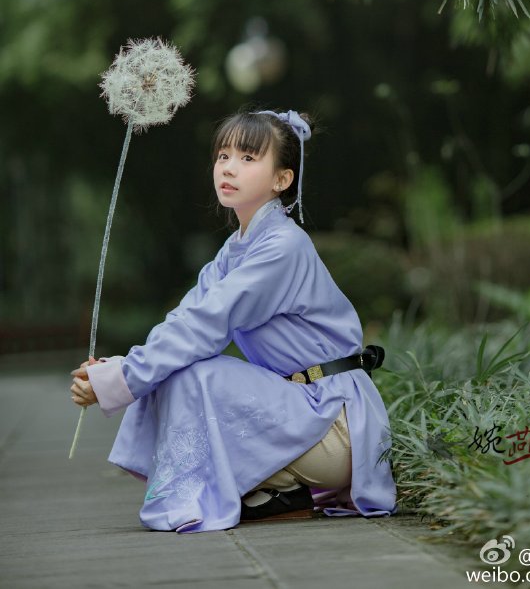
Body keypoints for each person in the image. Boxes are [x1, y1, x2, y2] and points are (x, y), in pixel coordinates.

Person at [70, 108, 396, 532]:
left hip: (335, 422)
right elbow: (185, 318)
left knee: (197, 374)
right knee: (176, 368)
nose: (228, 167)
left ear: (282, 180)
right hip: (299, 410)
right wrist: (121, 366)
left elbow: (206, 327)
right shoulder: (237, 248)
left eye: (247, 157)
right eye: (223, 155)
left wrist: (124, 378)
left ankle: (266, 492)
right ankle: (272, 495)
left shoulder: (283, 247)